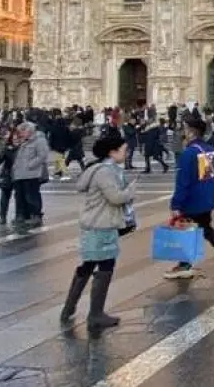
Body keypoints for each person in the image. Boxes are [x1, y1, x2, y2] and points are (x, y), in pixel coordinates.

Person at [59, 136, 137, 330]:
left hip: (96, 223)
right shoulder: (105, 172)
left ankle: (69, 308)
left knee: (88, 264)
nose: (126, 153)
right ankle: (95, 314)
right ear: (112, 152)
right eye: (124, 150)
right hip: (102, 224)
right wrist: (131, 190)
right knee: (105, 265)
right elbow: (115, 198)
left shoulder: (99, 169)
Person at [164, 119, 214, 279]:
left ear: (191, 132)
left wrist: (176, 204)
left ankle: (184, 266)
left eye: (185, 129)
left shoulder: (188, 153)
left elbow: (183, 181)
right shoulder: (208, 149)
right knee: (204, 228)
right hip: (207, 198)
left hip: (193, 200)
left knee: (186, 228)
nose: (183, 132)